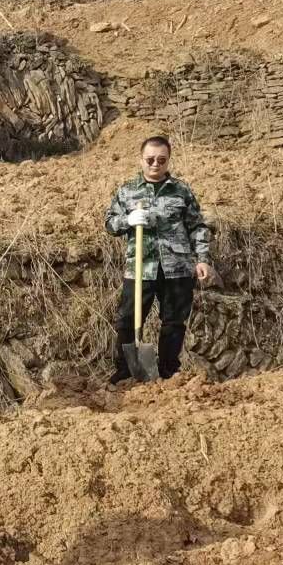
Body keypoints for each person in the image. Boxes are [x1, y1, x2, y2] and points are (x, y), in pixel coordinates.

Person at [104, 135, 214, 382]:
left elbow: (197, 226)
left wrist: (203, 258)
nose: (156, 164)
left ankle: (168, 372)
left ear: (168, 160)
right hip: (140, 267)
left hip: (177, 268)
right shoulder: (127, 191)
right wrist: (127, 220)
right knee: (127, 319)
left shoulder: (181, 190)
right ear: (141, 159)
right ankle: (125, 372)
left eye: (161, 160)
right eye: (150, 159)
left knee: (174, 323)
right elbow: (109, 224)